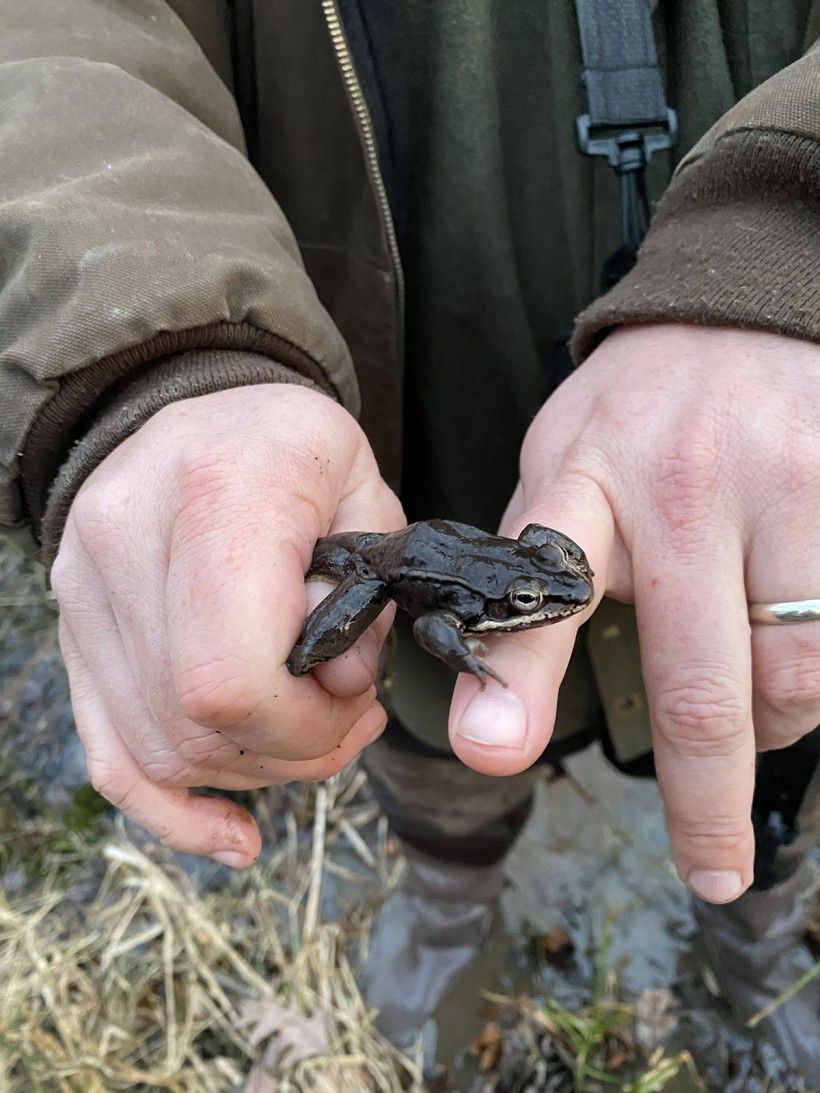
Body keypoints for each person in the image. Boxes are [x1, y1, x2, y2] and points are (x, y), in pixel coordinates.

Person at [0, 0, 817, 1079]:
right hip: (402, 466)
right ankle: (446, 900)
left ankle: (757, 927)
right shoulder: (471, 606)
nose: (548, 601)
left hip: (775, 501)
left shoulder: (545, 575)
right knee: (426, 734)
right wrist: (156, 352)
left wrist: (785, 245)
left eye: (544, 595)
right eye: (540, 597)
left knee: (770, 730)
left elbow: (539, 576)